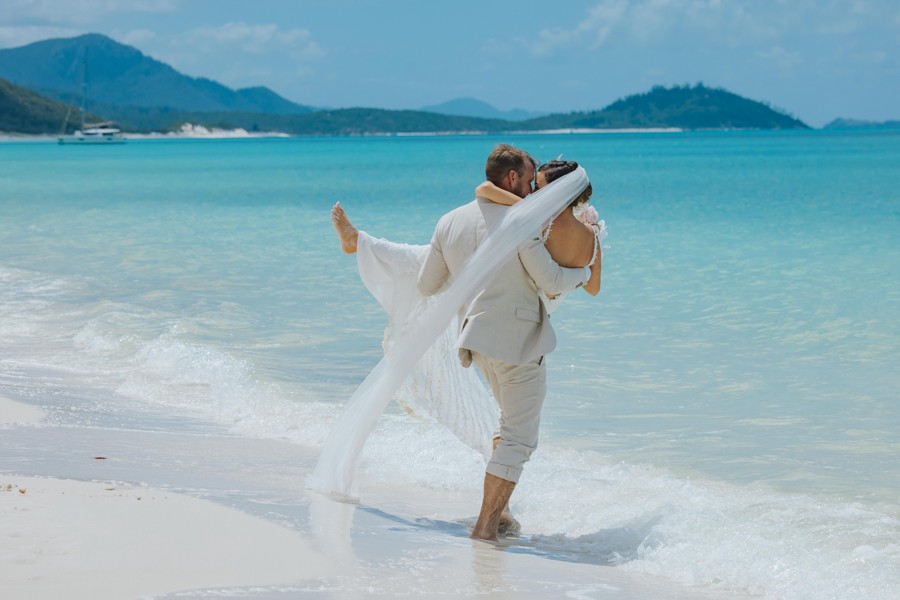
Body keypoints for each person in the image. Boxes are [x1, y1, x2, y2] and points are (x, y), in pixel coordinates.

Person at [331, 147, 605, 540]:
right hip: (517, 343)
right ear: (512, 179)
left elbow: (427, 284)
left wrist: (467, 275)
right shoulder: (522, 222)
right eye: (529, 183)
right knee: (519, 439)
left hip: (475, 343)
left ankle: (503, 515)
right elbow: (550, 280)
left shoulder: (450, 220)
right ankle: (486, 528)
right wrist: (580, 273)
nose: (532, 192)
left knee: (506, 425)